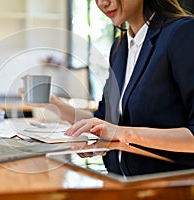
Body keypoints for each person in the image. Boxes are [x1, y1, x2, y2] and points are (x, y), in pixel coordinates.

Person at [20, 0, 194, 176]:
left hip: (168, 187)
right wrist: (53, 104)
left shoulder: (182, 33)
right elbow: (103, 121)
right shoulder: (120, 48)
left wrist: (123, 133)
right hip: (119, 182)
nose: (103, 3)